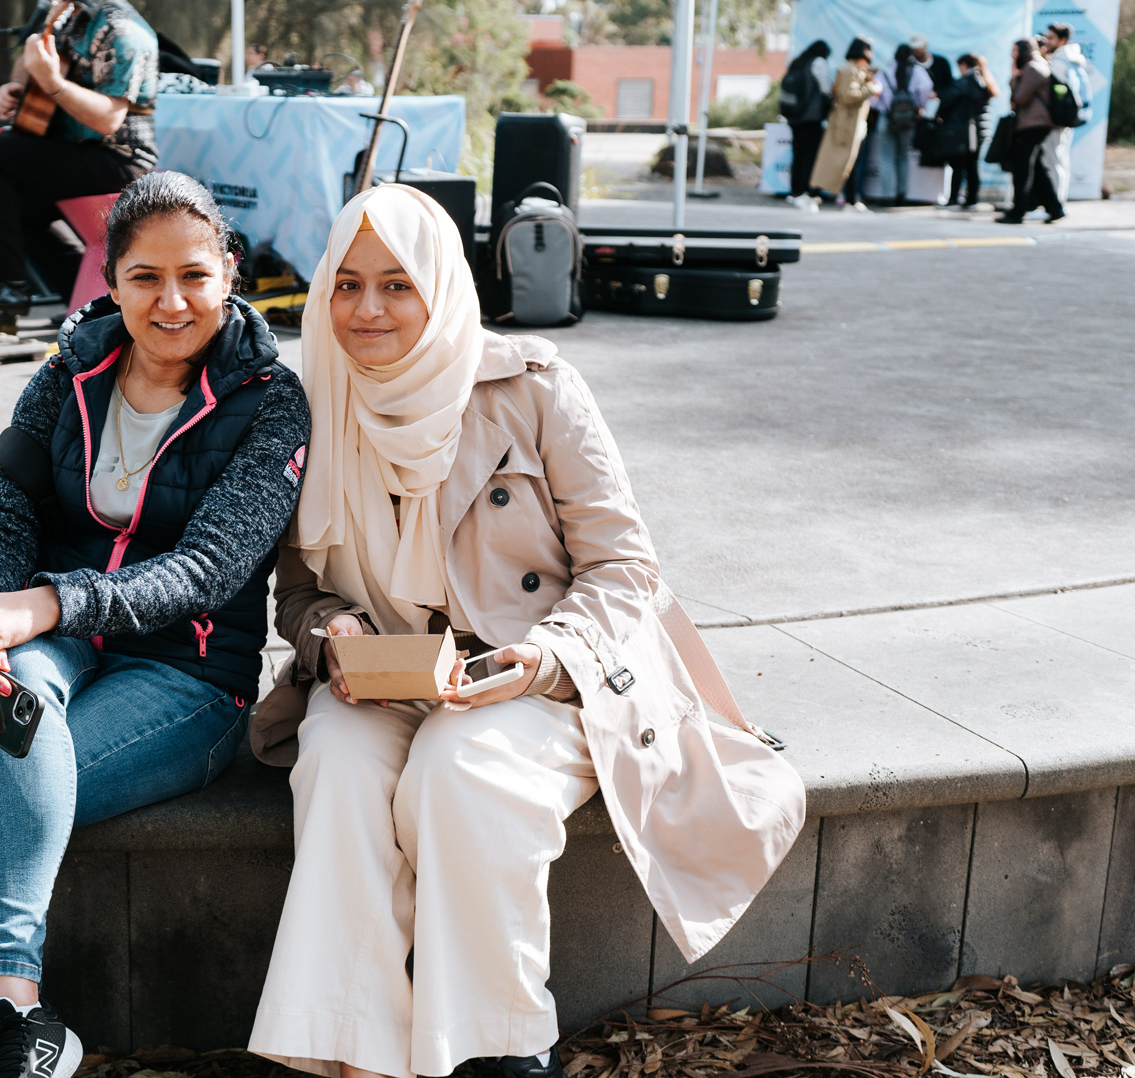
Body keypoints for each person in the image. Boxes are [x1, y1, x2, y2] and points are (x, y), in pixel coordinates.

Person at [245, 184, 806, 1078]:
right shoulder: (311, 400)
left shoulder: (533, 388)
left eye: (397, 284)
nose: (366, 310)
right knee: (340, 768)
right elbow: (298, 590)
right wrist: (332, 631)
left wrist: (544, 657)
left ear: (442, 286)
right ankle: (352, 1054)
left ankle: (499, 1048)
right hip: (383, 676)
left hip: (534, 674)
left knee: (459, 771)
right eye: (345, 285)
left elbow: (627, 569)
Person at [0, 172, 311, 1078]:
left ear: (229, 273)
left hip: (190, 676)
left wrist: (47, 602)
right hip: (49, 644)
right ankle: (18, 1023)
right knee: (1, 694)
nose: (171, 302)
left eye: (193, 277)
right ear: (111, 278)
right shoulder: (67, 373)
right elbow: (0, 514)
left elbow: (208, 570)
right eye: (145, 278)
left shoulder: (272, 400)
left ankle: (18, 1029)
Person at [0, 0, 160, 313]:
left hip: (120, 158)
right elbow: (31, 67)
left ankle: (8, 288)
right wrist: (17, 89)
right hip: (73, 148)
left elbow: (108, 118)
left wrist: (53, 83)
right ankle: (93, 303)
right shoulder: (69, 15)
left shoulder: (123, 30)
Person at [809, 38, 883, 210]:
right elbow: (848, 95)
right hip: (845, 125)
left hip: (851, 123)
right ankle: (813, 195)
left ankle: (851, 199)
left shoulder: (856, 69)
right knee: (836, 161)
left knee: (848, 163)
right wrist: (871, 89)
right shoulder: (850, 70)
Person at [999, 37, 1065, 224]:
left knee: (1022, 167)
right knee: (1037, 167)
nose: (1012, 55)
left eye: (1015, 51)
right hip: (1035, 123)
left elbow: (1019, 98)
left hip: (1033, 124)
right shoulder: (1037, 66)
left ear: (1023, 51)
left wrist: (1014, 76)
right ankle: (1054, 208)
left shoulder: (1033, 68)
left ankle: (1018, 211)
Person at [875, 43, 935, 205]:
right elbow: (926, 87)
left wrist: (885, 107)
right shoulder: (917, 72)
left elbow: (875, 96)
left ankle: (887, 195)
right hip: (908, 121)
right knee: (903, 157)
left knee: (886, 157)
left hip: (887, 118)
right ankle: (902, 193)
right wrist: (918, 106)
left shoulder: (886, 72)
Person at [1041, 23, 1094, 206]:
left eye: (1051, 38)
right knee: (1061, 160)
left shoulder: (1059, 61)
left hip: (1057, 120)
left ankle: (1054, 204)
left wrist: (1052, 115)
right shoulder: (1073, 59)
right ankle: (1058, 202)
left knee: (1053, 162)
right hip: (1068, 118)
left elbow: (1056, 94)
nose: (1047, 41)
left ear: (1062, 40)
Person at [937, 54, 998, 210]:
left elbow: (946, 98)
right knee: (973, 165)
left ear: (964, 65)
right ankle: (972, 200)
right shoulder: (985, 81)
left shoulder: (965, 82)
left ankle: (953, 200)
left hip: (964, 131)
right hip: (981, 131)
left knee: (957, 164)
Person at [782, 40, 834, 210]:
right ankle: (806, 191)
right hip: (810, 116)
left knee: (798, 154)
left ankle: (794, 191)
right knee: (810, 155)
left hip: (793, 116)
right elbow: (825, 87)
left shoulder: (798, 61)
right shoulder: (818, 62)